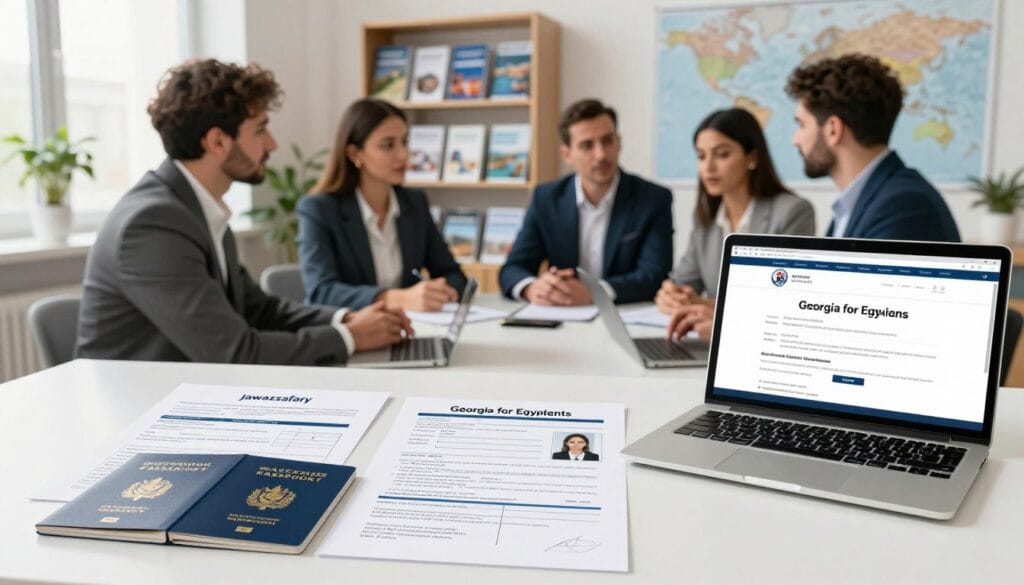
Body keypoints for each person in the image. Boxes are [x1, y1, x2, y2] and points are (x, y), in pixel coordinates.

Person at [75, 59, 412, 365]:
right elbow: (234, 352)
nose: (272, 144)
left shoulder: (195, 208)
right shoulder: (151, 225)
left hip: (186, 397)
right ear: (218, 142)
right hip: (139, 414)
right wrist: (351, 338)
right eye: (261, 130)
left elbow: (259, 309)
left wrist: (344, 320)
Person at [297, 98, 467, 311]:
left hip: (410, 330)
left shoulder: (414, 203)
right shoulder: (319, 209)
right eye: (388, 145)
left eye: (405, 142)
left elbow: (452, 274)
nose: (404, 155)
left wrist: (442, 290)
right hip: (349, 335)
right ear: (354, 153)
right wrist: (396, 298)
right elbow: (321, 292)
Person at [499, 99, 673, 305]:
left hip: (626, 317)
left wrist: (594, 292)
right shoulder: (546, 199)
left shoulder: (652, 199)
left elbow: (654, 276)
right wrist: (532, 288)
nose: (600, 154)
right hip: (563, 318)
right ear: (567, 154)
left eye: (607, 141)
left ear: (619, 142)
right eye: (587, 145)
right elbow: (512, 269)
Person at [656, 108, 815, 315]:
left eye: (722, 154)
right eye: (701, 156)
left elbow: (784, 299)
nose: (708, 167)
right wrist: (670, 294)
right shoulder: (706, 219)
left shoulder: (792, 212)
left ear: (752, 157)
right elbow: (685, 282)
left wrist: (708, 306)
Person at [785, 53, 959, 242]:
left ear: (833, 129)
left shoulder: (902, 206)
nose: (795, 139)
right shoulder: (863, 202)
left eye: (802, 125)